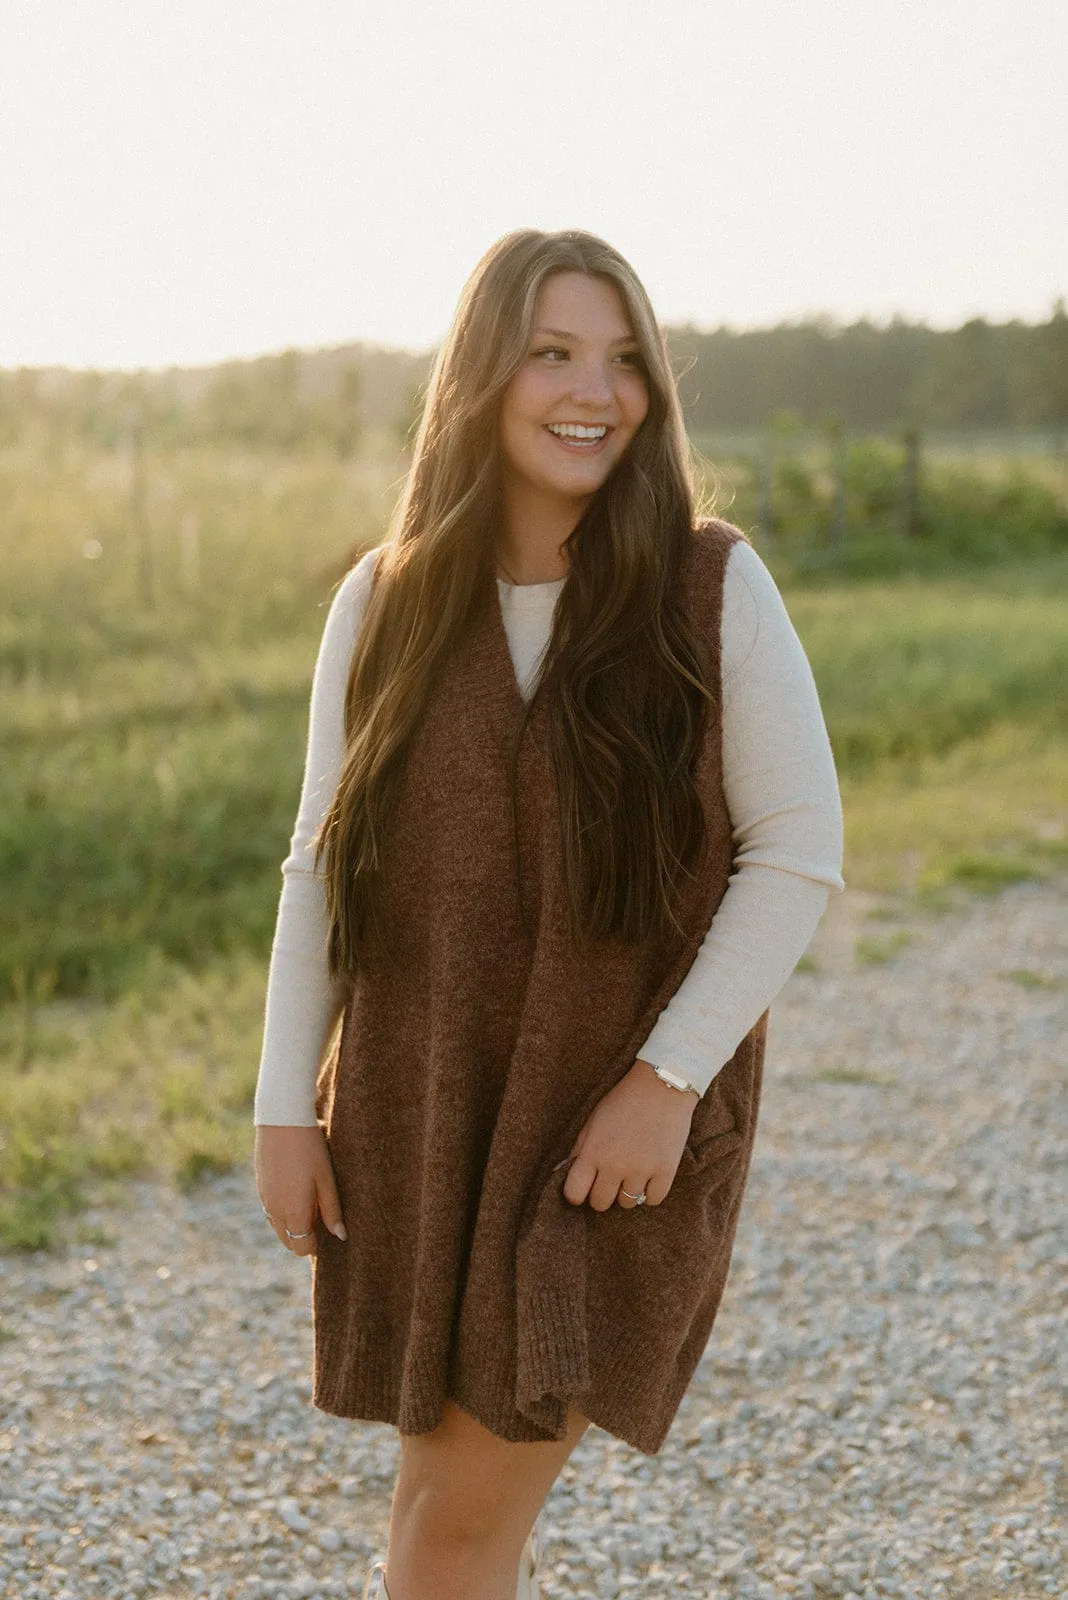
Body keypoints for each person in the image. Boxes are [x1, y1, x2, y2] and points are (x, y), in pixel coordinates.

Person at [253, 228, 845, 1600]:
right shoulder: (386, 598)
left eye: (625, 358)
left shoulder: (708, 586)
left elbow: (798, 853)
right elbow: (319, 867)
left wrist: (666, 1081)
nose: (598, 390)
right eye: (555, 353)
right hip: (416, 1109)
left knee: (450, 1534)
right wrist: (288, 1104)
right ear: (481, 376)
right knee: (439, 1514)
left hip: (601, 1141)